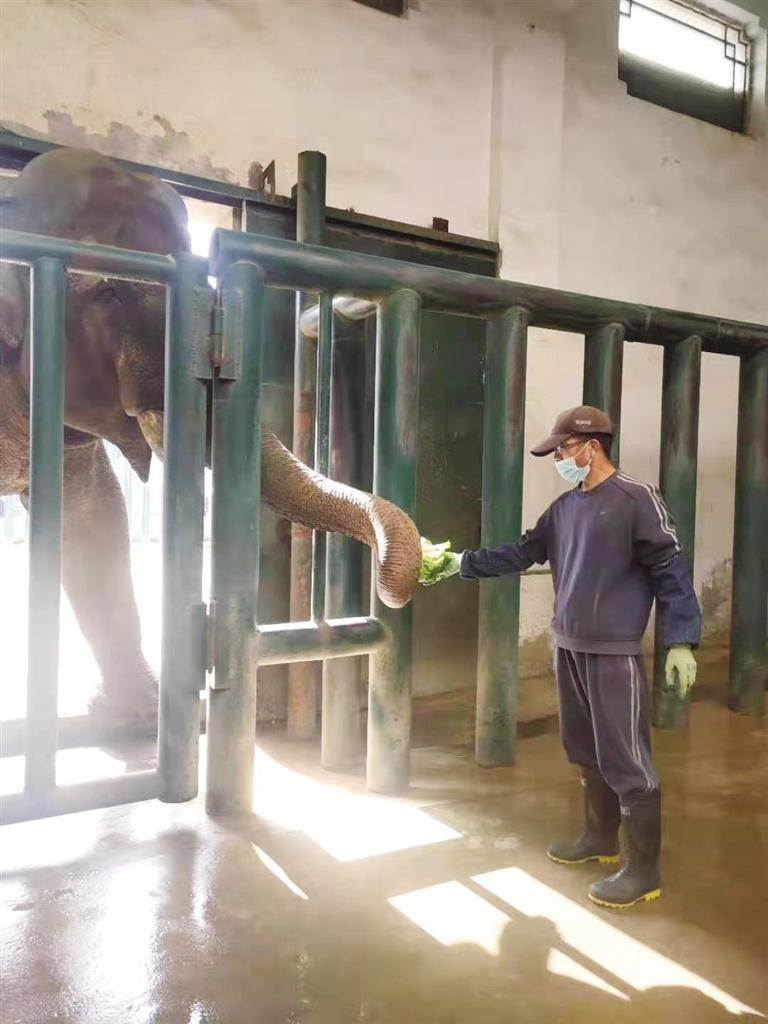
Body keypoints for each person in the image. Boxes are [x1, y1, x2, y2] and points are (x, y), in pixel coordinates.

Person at [420, 405, 701, 909]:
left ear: (591, 448)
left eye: (562, 450)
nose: (558, 460)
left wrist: (681, 639)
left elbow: (670, 569)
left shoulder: (637, 500)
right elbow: (522, 552)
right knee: (583, 749)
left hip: (613, 653)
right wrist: (460, 563)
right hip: (568, 647)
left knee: (627, 759)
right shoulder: (565, 509)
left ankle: (643, 872)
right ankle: (599, 838)